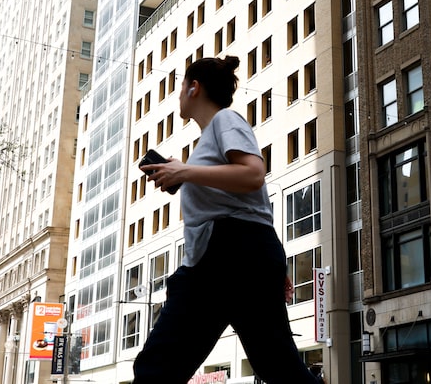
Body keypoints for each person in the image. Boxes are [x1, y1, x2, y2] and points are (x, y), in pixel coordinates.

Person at [134, 56, 320, 384]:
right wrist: (184, 171)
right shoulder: (208, 140)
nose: (178, 95)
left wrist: (185, 171)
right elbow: (250, 203)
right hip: (237, 256)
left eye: (181, 87)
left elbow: (253, 174)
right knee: (278, 367)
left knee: (157, 366)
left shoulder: (225, 121)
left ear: (194, 88)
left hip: (228, 255)